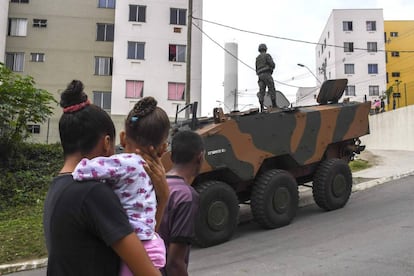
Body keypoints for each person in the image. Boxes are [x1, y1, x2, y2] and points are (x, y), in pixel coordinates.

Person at [43, 80, 166, 276]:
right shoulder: (93, 192)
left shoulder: (59, 186)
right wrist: (164, 197)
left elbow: (141, 237)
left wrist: (162, 198)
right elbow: (147, 270)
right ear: (107, 142)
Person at [72, 96, 171, 274]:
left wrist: (77, 167)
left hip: (138, 245)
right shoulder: (151, 173)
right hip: (151, 241)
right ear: (163, 148)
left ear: (123, 137)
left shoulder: (126, 163)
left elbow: (87, 170)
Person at [159, 130, 204, 276]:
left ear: (171, 157)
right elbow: (175, 263)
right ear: (200, 158)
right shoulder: (186, 196)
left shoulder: (157, 185)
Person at [255, 43, 277, 112]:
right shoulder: (267, 56)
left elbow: (256, 68)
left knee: (262, 91)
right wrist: (270, 68)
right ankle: (274, 105)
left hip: (260, 76)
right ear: (265, 49)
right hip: (266, 74)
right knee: (271, 88)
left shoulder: (257, 58)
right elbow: (272, 64)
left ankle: (261, 107)